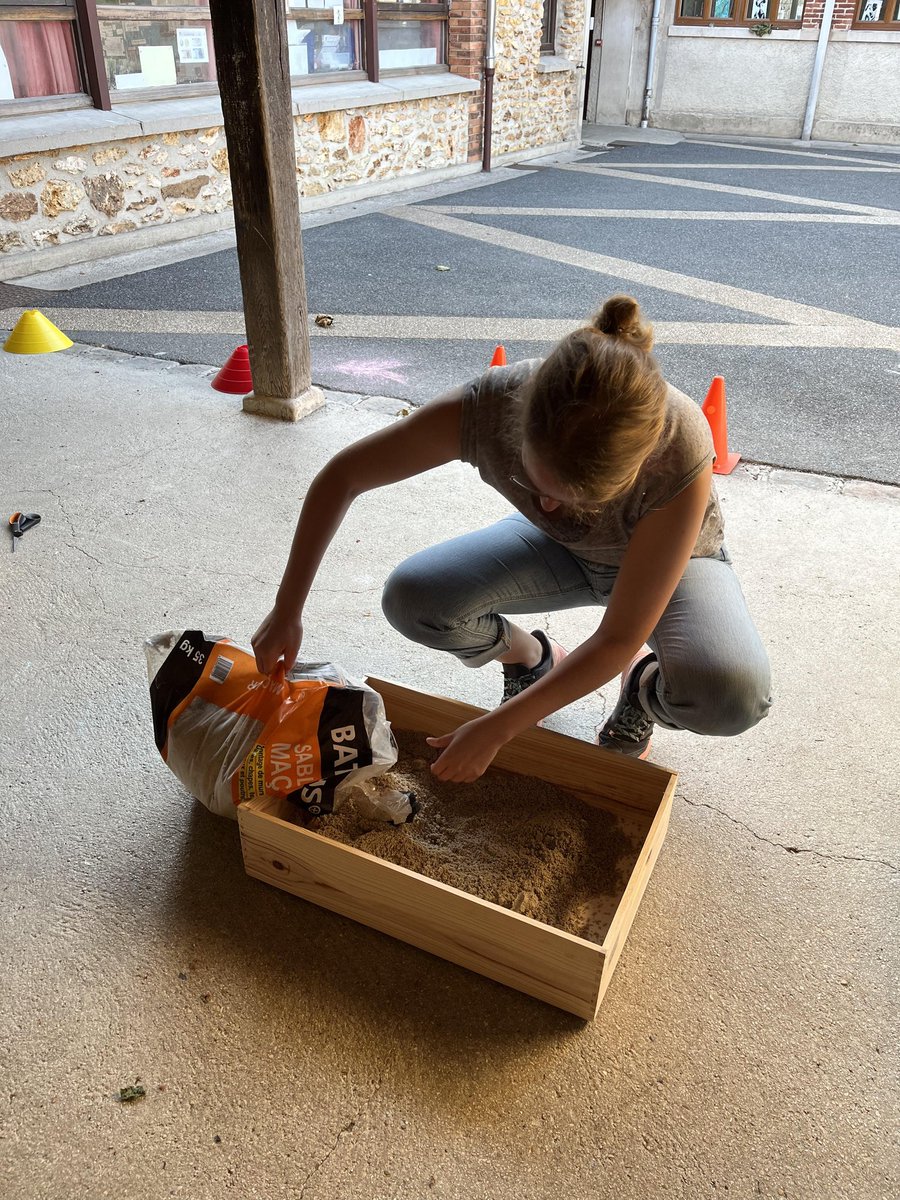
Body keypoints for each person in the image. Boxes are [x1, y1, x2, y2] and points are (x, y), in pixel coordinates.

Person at [252, 295, 771, 783]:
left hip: (672, 563)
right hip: (557, 550)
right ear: (518, 426)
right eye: (536, 486)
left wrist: (499, 729)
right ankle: (530, 656)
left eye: (576, 500)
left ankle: (642, 687)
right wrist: (286, 608)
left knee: (729, 695)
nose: (548, 507)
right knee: (414, 599)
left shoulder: (679, 448)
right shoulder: (488, 405)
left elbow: (617, 638)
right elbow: (343, 477)